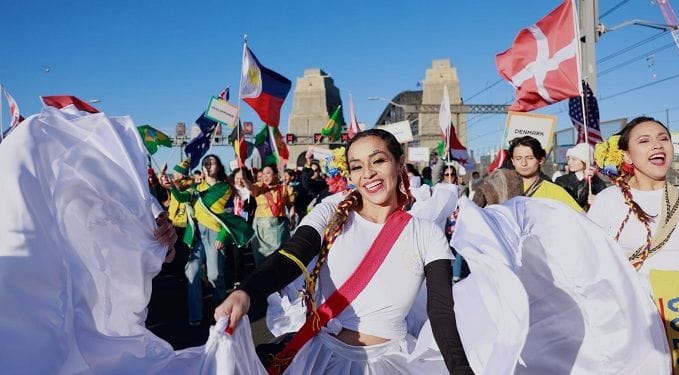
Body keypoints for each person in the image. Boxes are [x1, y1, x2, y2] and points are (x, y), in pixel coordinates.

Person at [215, 128, 471, 374]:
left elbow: (441, 313)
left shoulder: (426, 234)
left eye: (378, 161)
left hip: (391, 363)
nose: (368, 173)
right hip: (319, 360)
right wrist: (246, 292)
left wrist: (461, 371)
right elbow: (293, 254)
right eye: (357, 166)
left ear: (399, 163)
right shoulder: (331, 212)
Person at [588, 116, 679, 277]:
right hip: (634, 300)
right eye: (644, 141)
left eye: (664, 139)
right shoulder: (608, 200)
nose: (657, 145)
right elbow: (591, 260)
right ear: (627, 156)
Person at [172, 154, 253, 326]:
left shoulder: (225, 188)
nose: (208, 165)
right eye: (205, 163)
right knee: (191, 272)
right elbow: (181, 198)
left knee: (215, 276)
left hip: (216, 234)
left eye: (212, 163)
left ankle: (221, 314)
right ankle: (195, 316)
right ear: (202, 168)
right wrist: (171, 186)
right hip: (198, 235)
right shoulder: (196, 188)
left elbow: (229, 214)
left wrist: (223, 236)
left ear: (218, 167)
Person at [508, 136, 583, 212]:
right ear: (513, 161)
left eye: (529, 158)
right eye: (518, 158)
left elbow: (581, 218)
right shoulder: (504, 188)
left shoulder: (555, 192)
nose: (523, 163)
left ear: (541, 160)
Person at [248, 164, 296, 266]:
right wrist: (243, 177)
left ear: (275, 175)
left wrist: (292, 219)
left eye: (268, 173)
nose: (265, 176)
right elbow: (250, 187)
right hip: (262, 228)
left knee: (279, 259)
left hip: (280, 227)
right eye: (263, 174)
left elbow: (290, 205)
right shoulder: (259, 187)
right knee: (262, 259)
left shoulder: (285, 189)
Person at [554, 143, 607, 210]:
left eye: (574, 159)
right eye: (569, 159)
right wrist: (585, 182)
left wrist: (598, 203)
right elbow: (574, 206)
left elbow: (605, 208)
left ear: (585, 162)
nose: (569, 162)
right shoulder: (561, 181)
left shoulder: (599, 184)